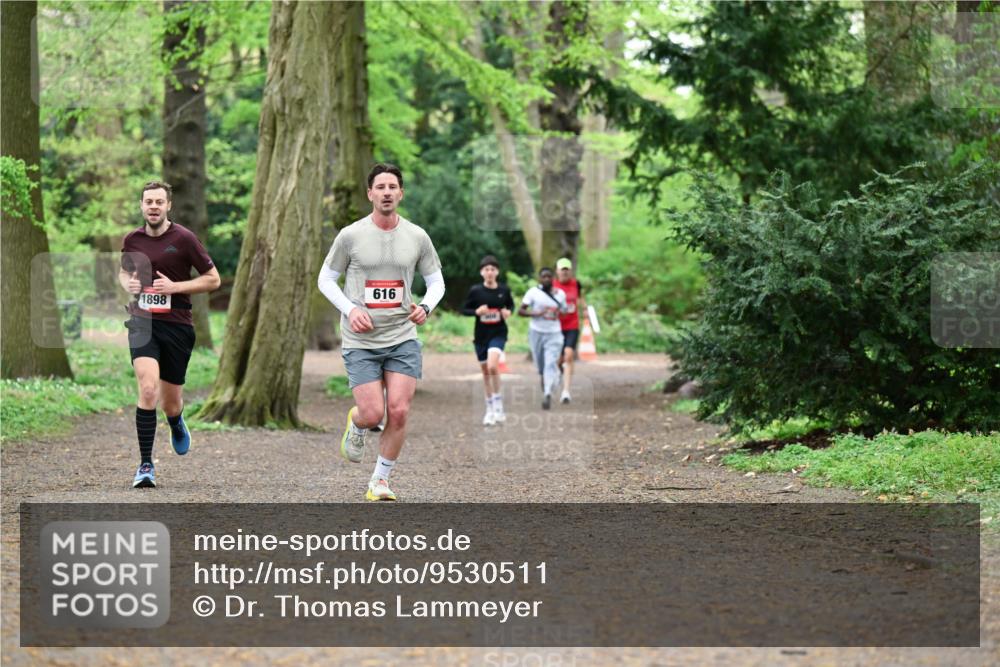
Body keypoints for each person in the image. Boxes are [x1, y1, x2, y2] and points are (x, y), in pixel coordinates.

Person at [318, 163, 445, 501]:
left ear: (401, 193)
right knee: (374, 413)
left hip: (402, 335)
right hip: (361, 339)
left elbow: (435, 282)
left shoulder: (417, 236)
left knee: (400, 410)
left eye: (393, 186)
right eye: (381, 187)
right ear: (370, 193)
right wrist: (351, 309)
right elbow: (326, 279)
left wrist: (426, 307)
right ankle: (358, 423)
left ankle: (380, 481)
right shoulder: (350, 235)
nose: (387, 192)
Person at [120, 181, 221, 488]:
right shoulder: (132, 239)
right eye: (148, 201)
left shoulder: (185, 239)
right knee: (148, 388)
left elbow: (213, 279)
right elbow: (125, 271)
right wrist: (128, 283)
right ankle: (146, 465)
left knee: (170, 403)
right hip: (142, 323)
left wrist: (176, 287)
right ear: (141, 205)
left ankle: (176, 422)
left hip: (177, 325)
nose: (153, 206)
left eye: (159, 202)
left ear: (168, 206)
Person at [461, 255, 514, 426]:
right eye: (486, 269)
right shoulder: (476, 291)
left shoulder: (504, 290)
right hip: (481, 337)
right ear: (481, 272)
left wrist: (508, 312)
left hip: (498, 333)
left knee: (492, 366)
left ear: (497, 272)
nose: (489, 272)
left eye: (492, 269)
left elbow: (510, 305)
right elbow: (464, 309)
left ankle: (498, 405)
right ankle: (490, 409)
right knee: (486, 373)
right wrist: (476, 311)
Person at [518, 267, 568, 410]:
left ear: (553, 278)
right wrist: (535, 313)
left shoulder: (560, 294)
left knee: (549, 363)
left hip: (554, 333)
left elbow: (564, 311)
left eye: (549, 276)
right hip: (536, 332)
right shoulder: (533, 293)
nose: (546, 279)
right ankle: (551, 380)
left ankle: (547, 394)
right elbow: (521, 311)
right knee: (541, 366)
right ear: (539, 279)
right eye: (543, 276)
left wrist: (559, 311)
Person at [553, 257, 587, 404]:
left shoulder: (576, 284)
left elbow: (580, 298)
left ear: (570, 271)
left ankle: (566, 392)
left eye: (567, 270)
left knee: (569, 355)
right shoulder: (552, 285)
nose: (564, 273)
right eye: (562, 270)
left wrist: (584, 309)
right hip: (555, 327)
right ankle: (560, 372)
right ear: (557, 271)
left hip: (572, 326)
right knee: (558, 360)